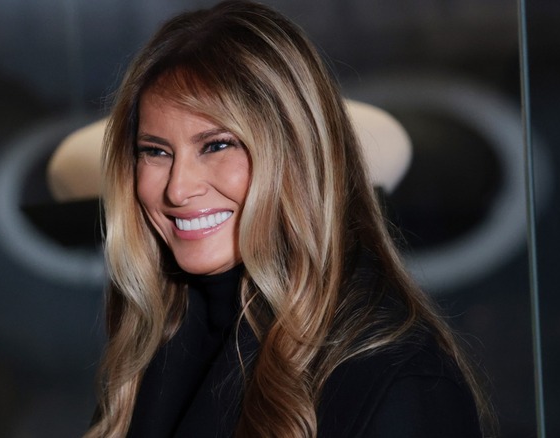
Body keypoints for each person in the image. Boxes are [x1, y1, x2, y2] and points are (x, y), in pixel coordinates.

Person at [87, 1, 491, 437]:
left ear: (296, 152)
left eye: (217, 145)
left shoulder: (393, 376)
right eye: (155, 152)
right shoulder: (151, 348)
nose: (177, 189)